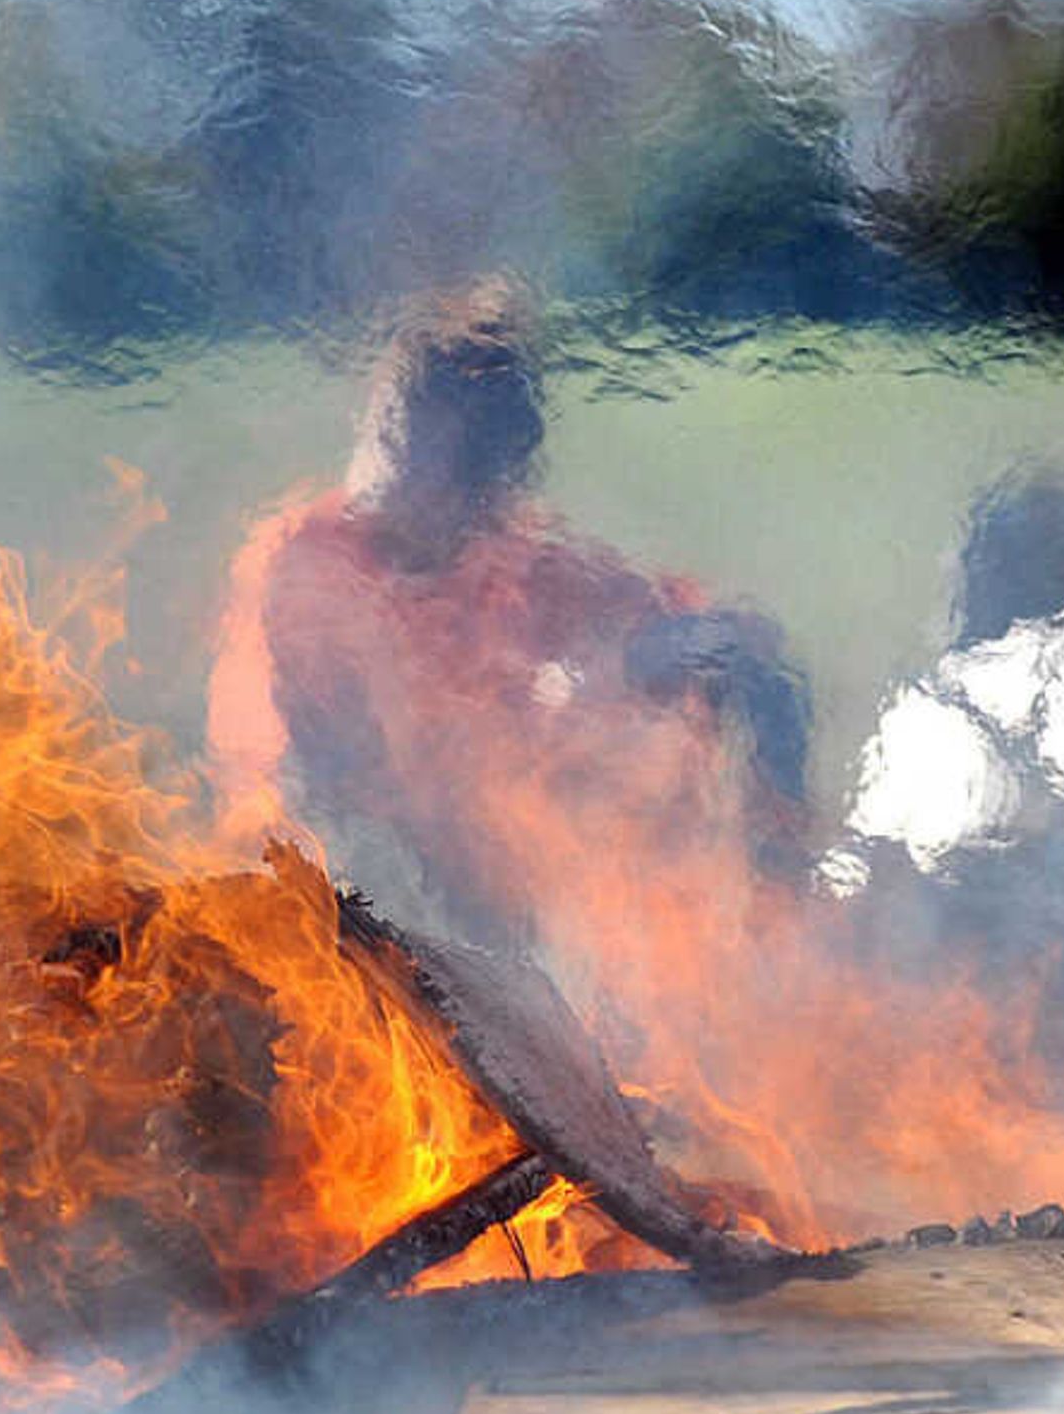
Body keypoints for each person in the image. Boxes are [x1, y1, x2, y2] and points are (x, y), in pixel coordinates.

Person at [207, 283, 812, 952]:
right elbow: (338, 808)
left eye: (459, 473)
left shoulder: (517, 564)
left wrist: (656, 658)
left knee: (740, 680)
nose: (418, 491)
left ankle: (785, 947)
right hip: (346, 921)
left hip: (510, 910)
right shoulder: (307, 570)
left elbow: (695, 638)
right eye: (404, 450)